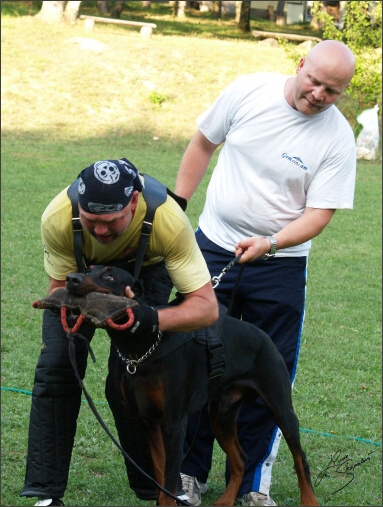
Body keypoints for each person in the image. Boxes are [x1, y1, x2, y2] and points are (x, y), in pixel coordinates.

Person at [175, 40, 356, 507]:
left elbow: (320, 213)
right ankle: (189, 475)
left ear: (341, 94)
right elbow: (202, 143)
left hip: (280, 265)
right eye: (314, 81)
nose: (318, 94)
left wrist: (272, 243)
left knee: (269, 374)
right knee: (194, 362)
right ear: (300, 66)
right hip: (212, 248)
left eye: (331, 91)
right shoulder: (247, 93)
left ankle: (254, 483)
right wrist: (177, 206)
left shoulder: (337, 137)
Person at [20, 157, 219, 507]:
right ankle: (46, 494)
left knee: (129, 380)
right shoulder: (58, 217)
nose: (99, 231)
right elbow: (57, 290)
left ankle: (155, 487)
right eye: (91, 220)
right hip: (82, 277)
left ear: (133, 203)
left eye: (110, 221)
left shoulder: (167, 219)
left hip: (146, 275)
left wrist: (147, 318)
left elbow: (206, 307)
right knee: (56, 368)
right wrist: (81, 308)